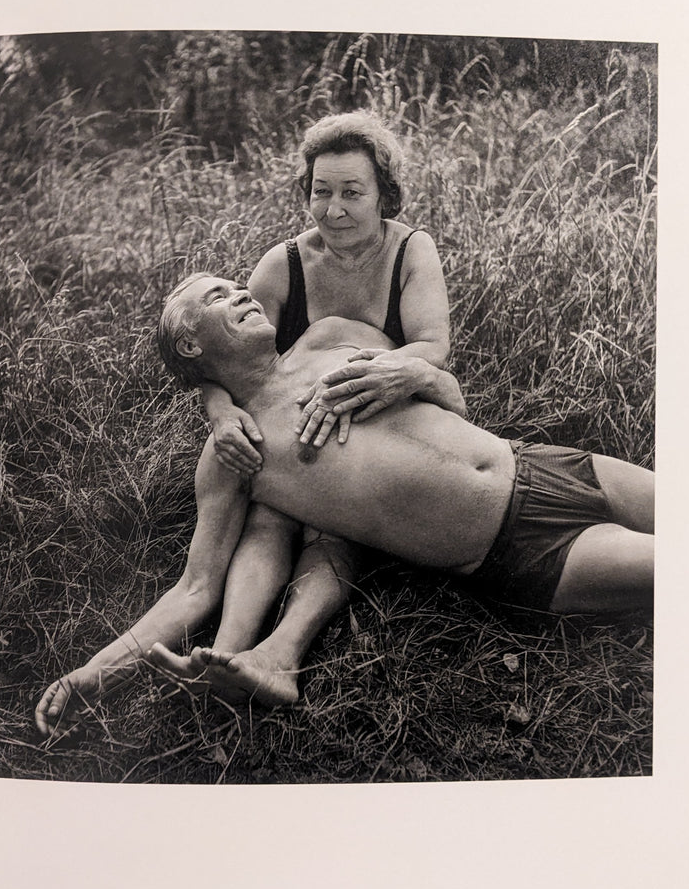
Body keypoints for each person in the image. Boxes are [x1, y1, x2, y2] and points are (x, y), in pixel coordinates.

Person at [34, 275, 653, 734]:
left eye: (236, 286)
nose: (243, 294)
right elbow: (195, 588)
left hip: (545, 463)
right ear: (192, 348)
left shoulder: (334, 338)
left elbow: (447, 388)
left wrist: (418, 376)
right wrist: (94, 672)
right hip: (520, 551)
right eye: (218, 298)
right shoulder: (237, 452)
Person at [188, 112, 457, 703]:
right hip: (295, 427)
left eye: (352, 193)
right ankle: (227, 654)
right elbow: (219, 362)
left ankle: (285, 649)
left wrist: (354, 380)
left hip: (377, 413)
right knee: (269, 518)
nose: (334, 209)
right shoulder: (282, 264)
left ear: (384, 192)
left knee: (331, 525)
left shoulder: (413, 250)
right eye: (321, 191)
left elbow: (431, 347)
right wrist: (220, 413)